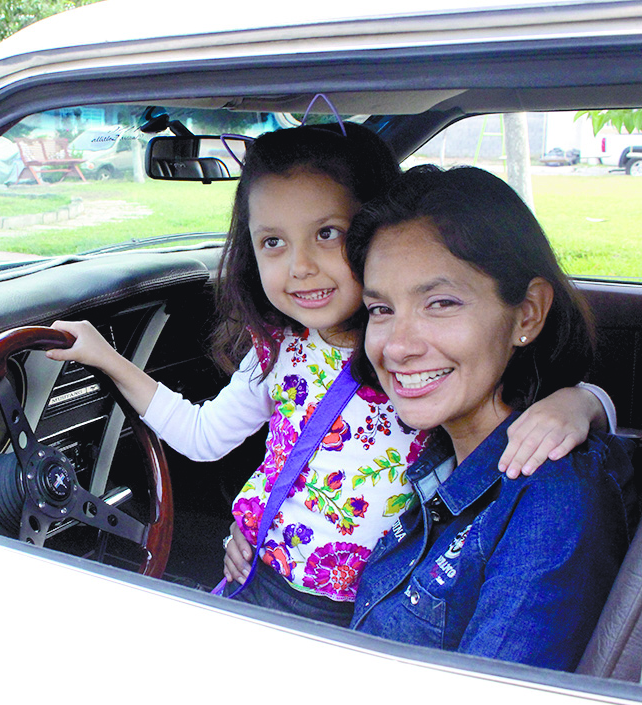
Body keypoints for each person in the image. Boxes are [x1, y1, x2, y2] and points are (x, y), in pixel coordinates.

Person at [47, 124, 612, 626]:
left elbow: (529, 396)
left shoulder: (414, 355)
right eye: (273, 242)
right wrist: (106, 357)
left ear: (373, 233)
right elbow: (203, 435)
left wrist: (582, 402)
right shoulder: (277, 352)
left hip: (371, 604)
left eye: (327, 234)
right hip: (261, 576)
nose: (300, 266)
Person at [344, 165, 631, 670]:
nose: (398, 347)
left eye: (441, 303)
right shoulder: (436, 452)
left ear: (527, 314)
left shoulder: (551, 497)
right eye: (381, 309)